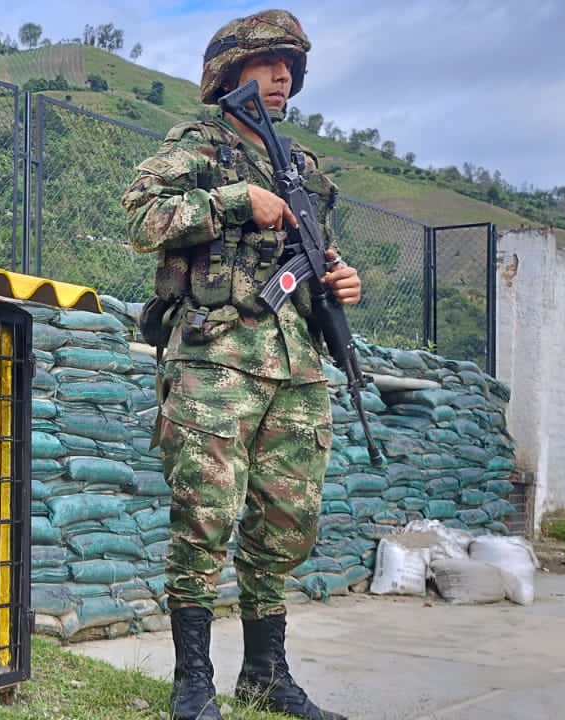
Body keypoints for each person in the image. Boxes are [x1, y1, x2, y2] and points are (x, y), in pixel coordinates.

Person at [119, 9, 361, 720]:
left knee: (287, 523)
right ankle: (194, 681)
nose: (283, 74)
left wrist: (342, 283)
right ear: (230, 71)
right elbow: (140, 217)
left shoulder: (304, 170)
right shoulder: (198, 144)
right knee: (205, 516)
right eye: (268, 61)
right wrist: (232, 202)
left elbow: (318, 263)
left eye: (291, 64)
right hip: (216, 360)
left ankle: (265, 674)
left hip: (296, 369)